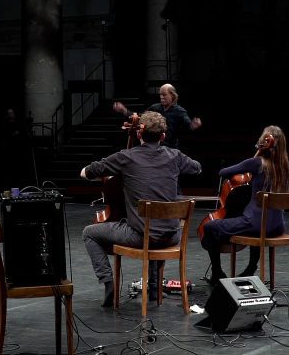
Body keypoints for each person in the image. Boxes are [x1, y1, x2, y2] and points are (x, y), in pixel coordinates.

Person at [81, 111, 203, 307]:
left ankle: (107, 282)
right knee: (153, 228)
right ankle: (153, 288)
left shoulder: (126, 157)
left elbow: (86, 172)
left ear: (138, 134)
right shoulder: (175, 156)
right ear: (163, 137)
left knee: (89, 233)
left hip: (140, 237)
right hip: (172, 237)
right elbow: (197, 168)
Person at [200, 125, 289, 284]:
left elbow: (223, 172)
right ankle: (251, 267)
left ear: (263, 142)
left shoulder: (256, 163)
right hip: (277, 226)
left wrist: (256, 155)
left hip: (256, 225)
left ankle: (217, 272)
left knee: (209, 227)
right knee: (258, 222)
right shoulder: (285, 168)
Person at [113, 83, 202, 149]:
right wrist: (124, 110)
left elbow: (188, 126)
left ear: (172, 95)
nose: (161, 97)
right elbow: (140, 117)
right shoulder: (155, 107)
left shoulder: (179, 111)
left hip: (170, 149)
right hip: (153, 147)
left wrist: (193, 125)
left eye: (164, 95)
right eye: (160, 94)